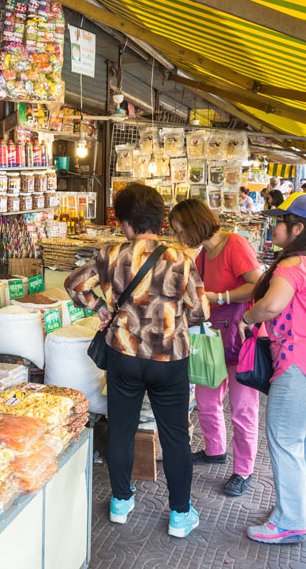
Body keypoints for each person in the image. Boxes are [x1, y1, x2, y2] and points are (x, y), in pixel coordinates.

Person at [65, 183, 208, 538]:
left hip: (124, 355)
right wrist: (171, 323)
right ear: (159, 221)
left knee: (122, 430)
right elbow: (202, 310)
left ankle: (120, 501)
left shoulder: (111, 254)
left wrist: (101, 307)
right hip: (169, 358)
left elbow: (74, 285)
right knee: (175, 437)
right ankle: (179, 514)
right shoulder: (180, 259)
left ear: (126, 222)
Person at [241, 193, 306, 544]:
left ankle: (289, 523)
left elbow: (270, 306)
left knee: (285, 439)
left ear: (297, 228)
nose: (273, 227)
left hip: (301, 365)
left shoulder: (294, 264)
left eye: (279, 221)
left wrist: (247, 317)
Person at [170, 199, 262, 497]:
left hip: (238, 336)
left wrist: (220, 297)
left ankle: (243, 470)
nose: (178, 236)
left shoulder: (235, 244)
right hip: (209, 338)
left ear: (196, 224)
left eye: (180, 229)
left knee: (242, 408)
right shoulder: (203, 255)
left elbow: (257, 285)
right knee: (208, 400)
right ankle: (214, 449)